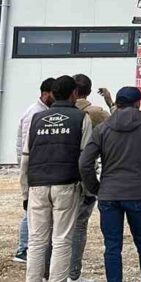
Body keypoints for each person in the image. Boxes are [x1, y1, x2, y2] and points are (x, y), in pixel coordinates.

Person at [79, 86, 141, 282]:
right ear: (138, 103)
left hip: (109, 194)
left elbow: (85, 162)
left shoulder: (103, 128)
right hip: (139, 192)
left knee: (112, 246)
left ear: (117, 103)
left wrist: (95, 188)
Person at [21, 75, 92, 282]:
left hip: (37, 186)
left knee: (36, 241)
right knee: (62, 240)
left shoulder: (37, 118)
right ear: (75, 94)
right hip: (66, 185)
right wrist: (88, 191)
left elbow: (26, 158)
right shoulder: (81, 118)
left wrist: (25, 192)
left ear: (52, 93)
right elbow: (85, 158)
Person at [67, 74, 110, 282]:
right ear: (88, 91)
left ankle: (49, 272)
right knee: (79, 226)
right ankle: (73, 275)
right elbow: (119, 122)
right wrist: (109, 100)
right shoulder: (96, 114)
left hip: (58, 176)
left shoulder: (56, 113)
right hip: (85, 179)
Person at [13, 77, 55, 265]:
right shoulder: (35, 113)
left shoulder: (43, 111)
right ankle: (23, 249)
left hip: (35, 167)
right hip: (32, 167)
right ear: (46, 93)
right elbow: (26, 147)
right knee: (30, 208)